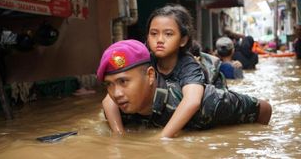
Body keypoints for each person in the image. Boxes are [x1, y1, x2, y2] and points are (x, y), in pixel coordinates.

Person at [99, 39, 272, 139]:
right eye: (109, 84)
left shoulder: (207, 104)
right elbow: (108, 103)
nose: (116, 93)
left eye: (123, 82)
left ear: (150, 75)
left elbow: (264, 108)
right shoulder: (120, 109)